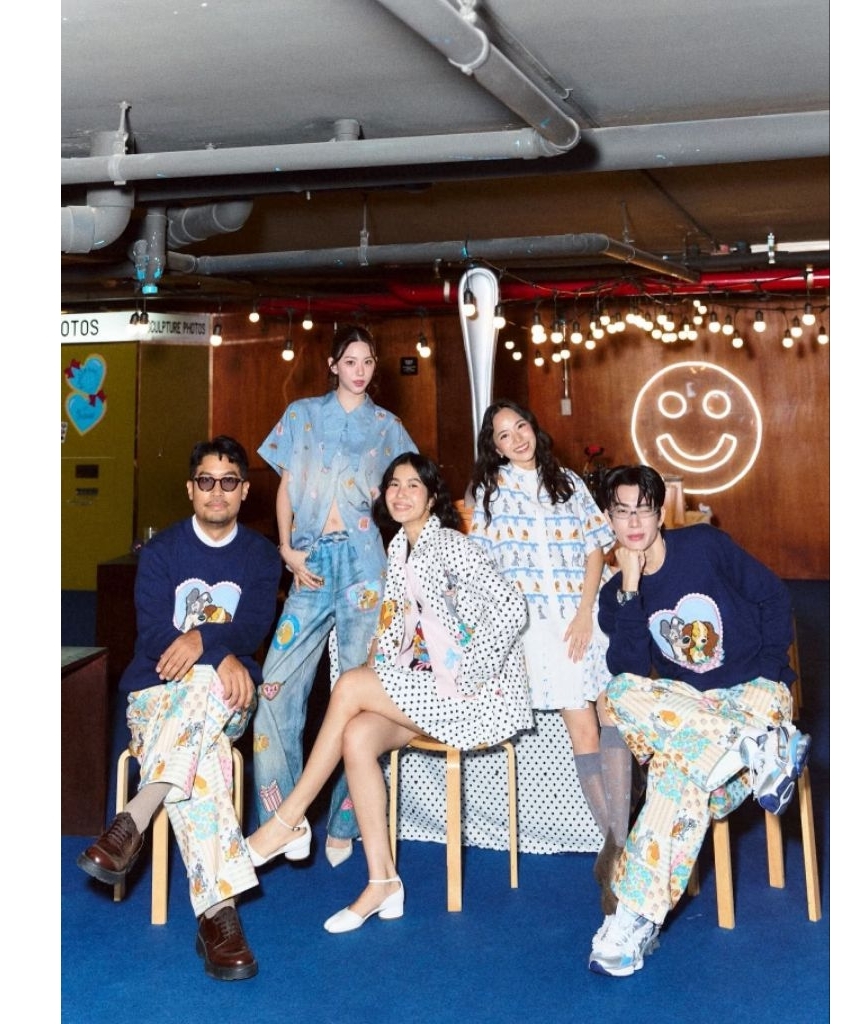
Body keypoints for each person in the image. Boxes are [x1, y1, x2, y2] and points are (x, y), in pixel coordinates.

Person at [244, 452, 533, 932]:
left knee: (351, 684)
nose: (401, 493)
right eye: (394, 484)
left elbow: (510, 606)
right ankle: (382, 881)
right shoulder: (398, 547)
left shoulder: (451, 545)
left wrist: (471, 674)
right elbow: (395, 628)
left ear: (432, 497)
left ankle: (288, 819)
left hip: (472, 697)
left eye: (413, 485)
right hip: (427, 688)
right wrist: (380, 668)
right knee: (357, 734)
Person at [587, 464, 811, 978]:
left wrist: (773, 672)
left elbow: (773, 596)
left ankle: (633, 919)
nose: (634, 523)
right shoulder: (614, 595)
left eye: (643, 510)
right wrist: (630, 587)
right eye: (622, 512)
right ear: (609, 519)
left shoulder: (705, 547)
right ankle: (756, 748)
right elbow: (627, 667)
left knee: (674, 772)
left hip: (755, 699)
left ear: (660, 514)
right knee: (618, 695)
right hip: (709, 730)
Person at [77, 435, 282, 981]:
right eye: (207, 481)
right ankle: (219, 918)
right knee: (204, 760)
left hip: (229, 699)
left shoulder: (261, 556)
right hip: (154, 699)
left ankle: (133, 818)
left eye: (229, 481)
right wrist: (216, 650)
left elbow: (252, 628)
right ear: (191, 489)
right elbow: (152, 637)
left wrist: (201, 642)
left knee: (206, 684)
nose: (217, 491)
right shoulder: (162, 552)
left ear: (244, 491)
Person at [253, 324, 415, 867]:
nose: (360, 370)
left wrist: (384, 497)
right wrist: (285, 550)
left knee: (362, 688)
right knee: (275, 684)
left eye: (368, 361)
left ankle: (347, 818)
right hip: (309, 563)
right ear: (333, 365)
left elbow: (409, 495)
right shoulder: (301, 414)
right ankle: (284, 817)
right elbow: (284, 486)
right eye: (350, 361)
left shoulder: (388, 427)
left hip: (366, 567)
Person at [466, 399, 637, 907]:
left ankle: (618, 850)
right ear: (494, 447)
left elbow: (594, 548)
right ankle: (621, 852)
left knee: (612, 712)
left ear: (533, 429)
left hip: (585, 612)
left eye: (520, 426)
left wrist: (585, 612)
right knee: (582, 729)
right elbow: (483, 567)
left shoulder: (567, 481)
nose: (516, 438)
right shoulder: (490, 493)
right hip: (539, 628)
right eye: (503, 435)